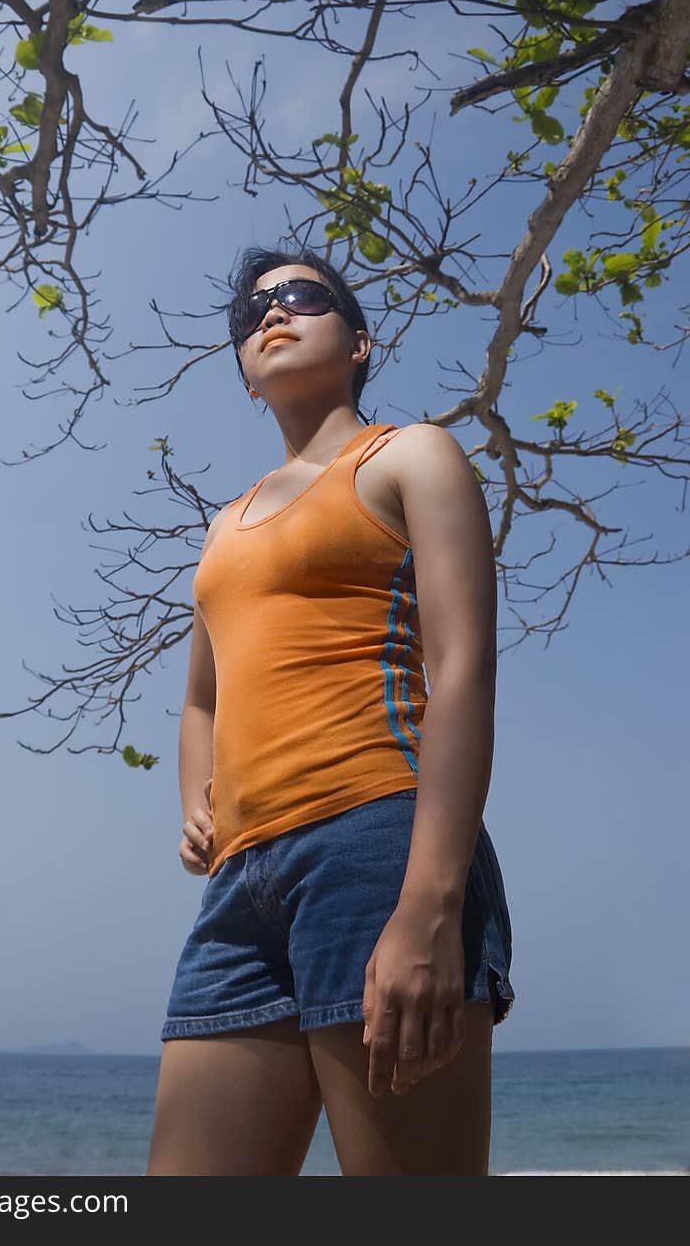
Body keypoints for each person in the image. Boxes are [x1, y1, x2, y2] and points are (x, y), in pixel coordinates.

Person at [146, 246, 516, 1176]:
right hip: (240, 887)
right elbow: (200, 696)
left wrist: (429, 907)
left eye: (302, 297)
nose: (272, 313)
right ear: (241, 371)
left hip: (378, 846)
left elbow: (464, 667)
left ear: (360, 341)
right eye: (251, 313)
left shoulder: (411, 455)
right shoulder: (223, 524)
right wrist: (198, 797)